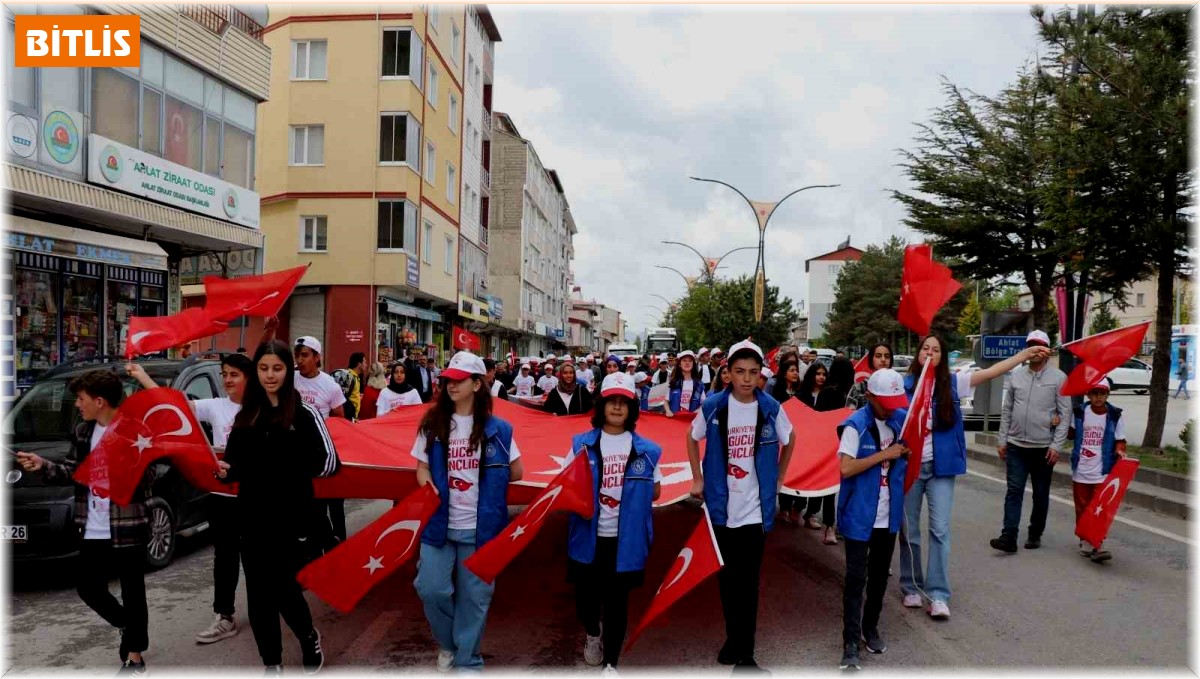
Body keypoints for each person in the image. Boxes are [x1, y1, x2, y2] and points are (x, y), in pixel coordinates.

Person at [899, 334, 1049, 619]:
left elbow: (993, 371)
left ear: (942, 357)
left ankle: (939, 594)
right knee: (909, 532)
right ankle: (910, 586)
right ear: (918, 354)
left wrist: (1023, 355)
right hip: (910, 468)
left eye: (936, 350)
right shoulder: (903, 387)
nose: (930, 353)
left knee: (940, 530)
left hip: (941, 469)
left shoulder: (954, 384)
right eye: (925, 349)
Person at [16, 370, 154, 675]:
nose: (78, 404)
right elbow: (72, 471)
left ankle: (134, 656)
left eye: (81, 399)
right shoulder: (82, 431)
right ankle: (126, 625)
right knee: (89, 588)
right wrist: (43, 466)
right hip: (92, 526)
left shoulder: (134, 430)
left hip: (126, 524)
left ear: (100, 401)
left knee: (133, 591)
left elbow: (148, 477)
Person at [215, 340, 339, 674]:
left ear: (288, 371)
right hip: (252, 521)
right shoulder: (247, 417)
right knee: (258, 598)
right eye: (264, 368)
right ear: (256, 372)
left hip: (293, 522)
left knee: (284, 592)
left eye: (278, 368)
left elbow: (329, 463)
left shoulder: (303, 413)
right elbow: (234, 465)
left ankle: (308, 636)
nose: (270, 375)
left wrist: (286, 469)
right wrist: (225, 471)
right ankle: (272, 663)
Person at [128, 355, 255, 646]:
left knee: (257, 558)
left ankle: (266, 609)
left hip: (254, 499)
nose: (227, 380)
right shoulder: (216, 406)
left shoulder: (263, 410)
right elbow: (173, 407)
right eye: (225, 374)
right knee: (225, 559)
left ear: (249, 377)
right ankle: (225, 616)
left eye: (234, 374)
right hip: (222, 498)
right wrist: (142, 376)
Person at [413, 351, 526, 671]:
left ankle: (468, 662)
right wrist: (428, 484)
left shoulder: (500, 429)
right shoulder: (432, 424)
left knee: (474, 600)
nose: (451, 385)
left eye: (459, 379)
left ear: (478, 384)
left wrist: (490, 478)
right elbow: (421, 468)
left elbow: (517, 471)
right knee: (430, 588)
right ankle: (450, 644)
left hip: (483, 527)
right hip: (439, 523)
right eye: (448, 379)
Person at [686, 339, 796, 669]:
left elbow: (790, 440)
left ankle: (746, 657)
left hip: (754, 511)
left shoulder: (771, 408)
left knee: (748, 583)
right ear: (728, 374)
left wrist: (778, 479)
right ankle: (733, 640)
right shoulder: (714, 406)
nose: (746, 379)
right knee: (727, 579)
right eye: (739, 372)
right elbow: (692, 438)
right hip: (721, 508)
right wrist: (697, 478)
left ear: (760, 374)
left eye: (752, 372)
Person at [567, 373, 663, 672]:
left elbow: (656, 490)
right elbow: (567, 485)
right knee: (586, 601)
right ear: (602, 405)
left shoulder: (647, 450)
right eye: (612, 401)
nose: (618, 407)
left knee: (617, 603)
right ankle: (593, 633)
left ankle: (612, 663)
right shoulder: (580, 444)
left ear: (632, 408)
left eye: (624, 402)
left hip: (626, 541)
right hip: (587, 537)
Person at [836, 369, 911, 670]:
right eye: (885, 401)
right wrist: (886, 455)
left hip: (887, 517)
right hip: (859, 515)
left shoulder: (898, 421)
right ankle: (850, 641)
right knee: (856, 580)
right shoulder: (856, 425)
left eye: (896, 400)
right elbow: (845, 469)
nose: (892, 406)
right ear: (869, 397)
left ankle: (871, 627)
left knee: (879, 578)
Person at [989, 330, 1071, 554]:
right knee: (1014, 490)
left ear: (1046, 350)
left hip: (1044, 448)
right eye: (1031, 345)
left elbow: (1064, 415)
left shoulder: (1059, 378)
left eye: (1039, 346)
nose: (1034, 350)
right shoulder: (1016, 376)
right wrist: (1002, 439)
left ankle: (1035, 533)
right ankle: (1009, 536)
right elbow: (1007, 410)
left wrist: (1056, 446)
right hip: (1016, 446)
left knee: (1040, 493)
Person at [293, 336, 347, 546]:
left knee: (334, 504)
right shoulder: (291, 380)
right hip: (299, 457)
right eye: (297, 355)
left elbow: (340, 421)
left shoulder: (330, 385)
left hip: (323, 455)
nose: (300, 360)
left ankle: (340, 545)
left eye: (305, 355)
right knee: (311, 507)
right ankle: (314, 550)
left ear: (317, 357)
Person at [1067, 379, 1127, 563]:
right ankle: (1085, 539)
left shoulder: (1115, 415)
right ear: (1088, 395)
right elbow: (1069, 434)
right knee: (1082, 507)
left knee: (1100, 509)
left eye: (1101, 393)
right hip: (1082, 469)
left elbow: (1120, 439)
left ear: (1107, 395)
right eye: (1094, 393)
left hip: (1103, 470)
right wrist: (1056, 421)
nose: (1098, 397)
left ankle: (1097, 543)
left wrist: (1120, 450)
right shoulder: (1079, 412)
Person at [797, 361, 842, 543]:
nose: (821, 377)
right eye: (818, 374)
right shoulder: (802, 395)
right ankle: (809, 513)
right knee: (815, 484)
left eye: (824, 374)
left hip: (828, 446)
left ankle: (829, 526)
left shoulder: (831, 394)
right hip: (808, 446)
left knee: (829, 488)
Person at [771, 356, 803, 524]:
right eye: (792, 370)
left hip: (802, 438)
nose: (795, 373)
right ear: (783, 374)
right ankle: (784, 507)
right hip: (781, 436)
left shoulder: (801, 393)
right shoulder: (776, 394)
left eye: (796, 370)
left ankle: (798, 508)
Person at [846, 344, 894, 410]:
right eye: (878, 356)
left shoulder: (897, 386)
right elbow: (848, 414)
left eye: (887, 356)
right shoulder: (859, 388)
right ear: (871, 359)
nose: (883, 359)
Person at [665, 350, 705, 417]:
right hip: (676, 419)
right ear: (679, 364)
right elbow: (666, 401)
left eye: (690, 361)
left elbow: (704, 403)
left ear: (693, 364)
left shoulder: (699, 384)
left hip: (692, 421)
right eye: (684, 360)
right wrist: (668, 411)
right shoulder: (674, 382)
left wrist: (698, 411)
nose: (687, 363)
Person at [333, 352, 365, 420]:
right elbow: (343, 399)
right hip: (348, 418)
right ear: (359, 364)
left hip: (353, 417)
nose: (366, 365)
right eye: (364, 362)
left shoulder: (356, 377)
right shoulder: (348, 378)